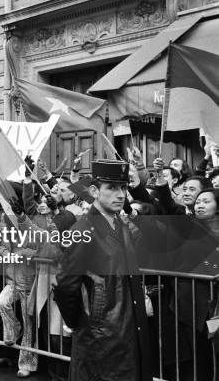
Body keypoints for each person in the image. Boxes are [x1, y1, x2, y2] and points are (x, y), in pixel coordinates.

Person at [54, 160, 152, 381]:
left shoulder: (121, 224)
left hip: (126, 330)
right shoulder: (82, 229)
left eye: (123, 188)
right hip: (99, 337)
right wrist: (85, 324)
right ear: (94, 191)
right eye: (112, 188)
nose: (120, 194)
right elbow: (66, 286)